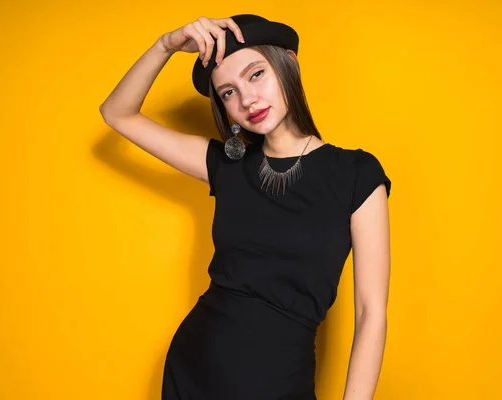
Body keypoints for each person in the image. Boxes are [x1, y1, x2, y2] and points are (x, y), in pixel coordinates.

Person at [99, 14, 392, 400]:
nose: (247, 99)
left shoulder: (356, 173)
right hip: (195, 371)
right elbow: (116, 113)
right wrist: (165, 45)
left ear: (289, 63)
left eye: (256, 75)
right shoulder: (225, 166)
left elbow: (370, 313)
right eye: (228, 93)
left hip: (280, 381)